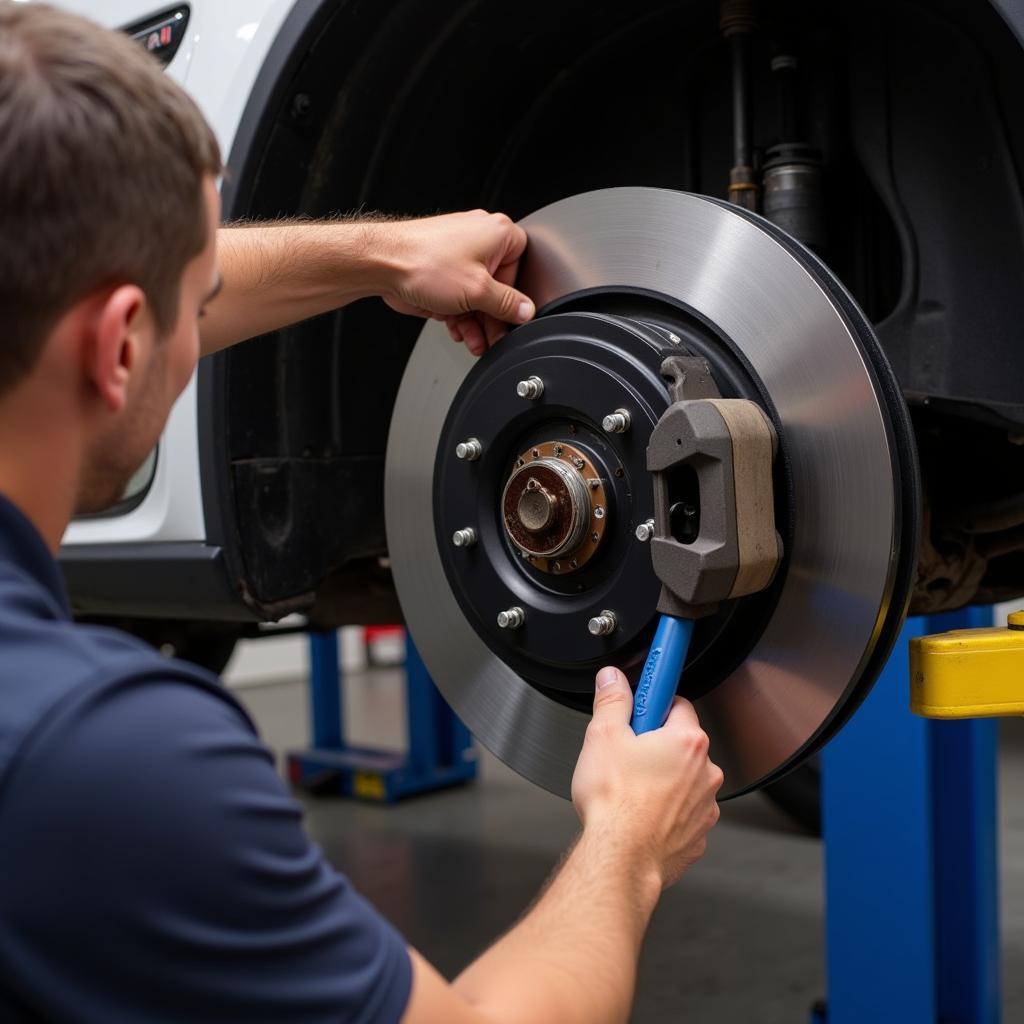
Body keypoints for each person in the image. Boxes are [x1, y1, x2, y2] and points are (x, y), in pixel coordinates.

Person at [0, 4, 724, 1023]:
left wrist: (384, 255)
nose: (203, 324)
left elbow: (142, 293)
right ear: (118, 346)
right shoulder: (103, 759)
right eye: (195, 306)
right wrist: (629, 845)